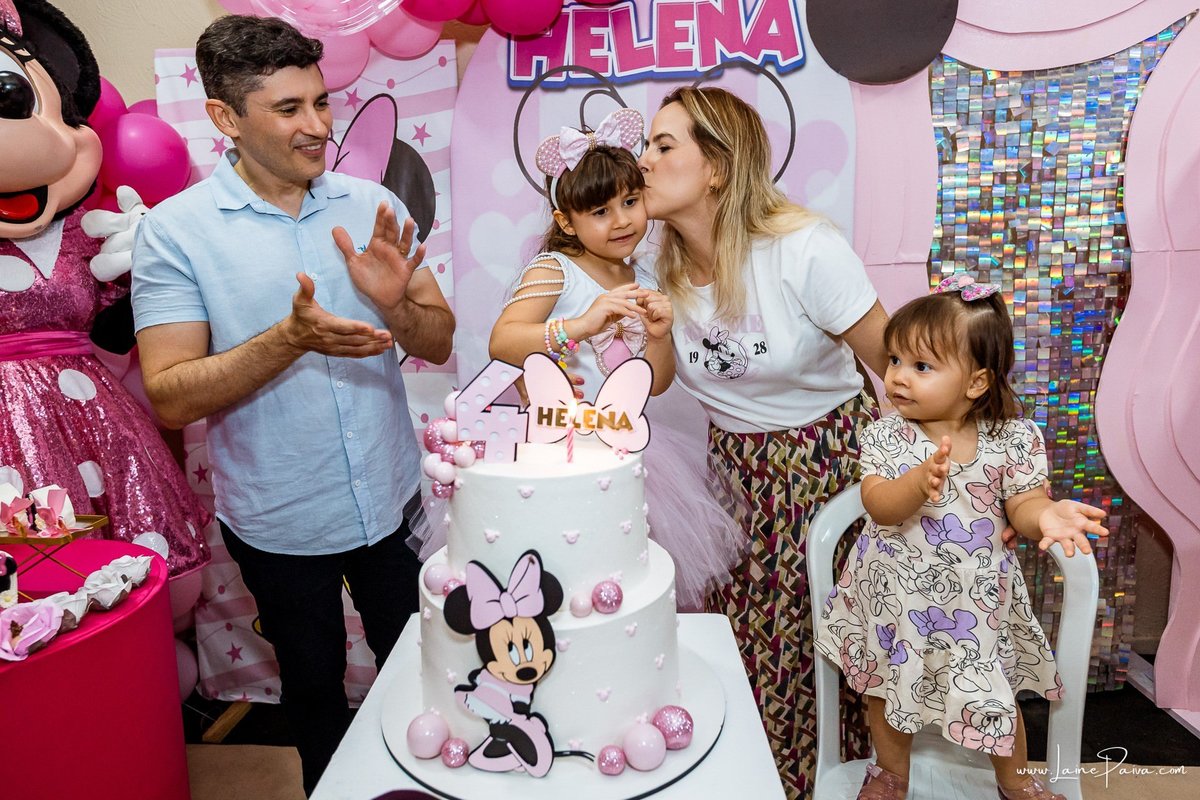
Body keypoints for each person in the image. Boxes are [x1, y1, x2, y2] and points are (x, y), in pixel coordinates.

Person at [130, 16, 454, 795]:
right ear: (224, 119)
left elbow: (438, 341)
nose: (317, 125)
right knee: (313, 691)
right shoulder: (176, 234)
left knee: (432, 675)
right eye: (288, 108)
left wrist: (397, 309)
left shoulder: (371, 200)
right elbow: (169, 393)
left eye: (321, 101)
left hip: (392, 502)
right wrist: (289, 340)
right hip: (278, 523)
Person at [637, 86, 891, 798]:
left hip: (831, 465)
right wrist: (655, 333)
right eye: (647, 145)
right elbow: (658, 382)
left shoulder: (804, 249)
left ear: (716, 166)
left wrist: (965, 472)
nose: (645, 161)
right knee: (753, 643)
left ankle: (841, 778)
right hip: (738, 474)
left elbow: (902, 370)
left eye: (664, 146)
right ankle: (766, 780)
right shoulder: (662, 263)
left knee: (833, 642)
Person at [815, 275, 1108, 800]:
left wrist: (1047, 517)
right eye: (895, 361)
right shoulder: (887, 435)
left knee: (994, 696)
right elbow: (879, 507)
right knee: (883, 691)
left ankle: (1016, 780)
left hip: (975, 607)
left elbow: (1023, 503)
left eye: (921, 366)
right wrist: (916, 485)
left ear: (976, 382)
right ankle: (891, 772)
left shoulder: (1010, 438)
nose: (897, 377)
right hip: (895, 601)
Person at [486, 107, 746, 609]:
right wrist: (582, 326)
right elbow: (503, 340)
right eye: (600, 212)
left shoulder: (645, 275)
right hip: (563, 448)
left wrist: (660, 335)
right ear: (567, 220)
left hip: (633, 451)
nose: (623, 220)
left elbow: (657, 383)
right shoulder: (555, 268)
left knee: (629, 583)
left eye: (630, 201)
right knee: (566, 574)